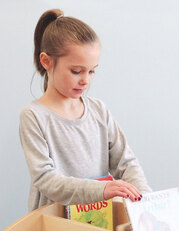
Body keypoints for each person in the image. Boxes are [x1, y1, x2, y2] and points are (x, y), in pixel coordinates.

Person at [20, 8, 151, 211]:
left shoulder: (99, 110)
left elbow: (126, 163)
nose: (85, 80)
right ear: (46, 61)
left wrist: (146, 200)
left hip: (98, 219)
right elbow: (45, 179)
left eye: (92, 71)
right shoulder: (34, 116)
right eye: (76, 71)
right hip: (55, 225)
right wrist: (102, 189)